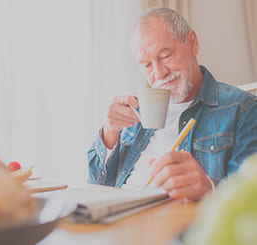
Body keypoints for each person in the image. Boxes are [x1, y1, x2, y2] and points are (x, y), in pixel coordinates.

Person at [88, 7, 257, 201]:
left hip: (176, 223)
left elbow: (250, 197)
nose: (159, 74)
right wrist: (109, 134)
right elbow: (95, 186)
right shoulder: (135, 112)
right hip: (120, 218)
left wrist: (209, 189)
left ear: (192, 43)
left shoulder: (242, 108)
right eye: (147, 65)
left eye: (166, 56)